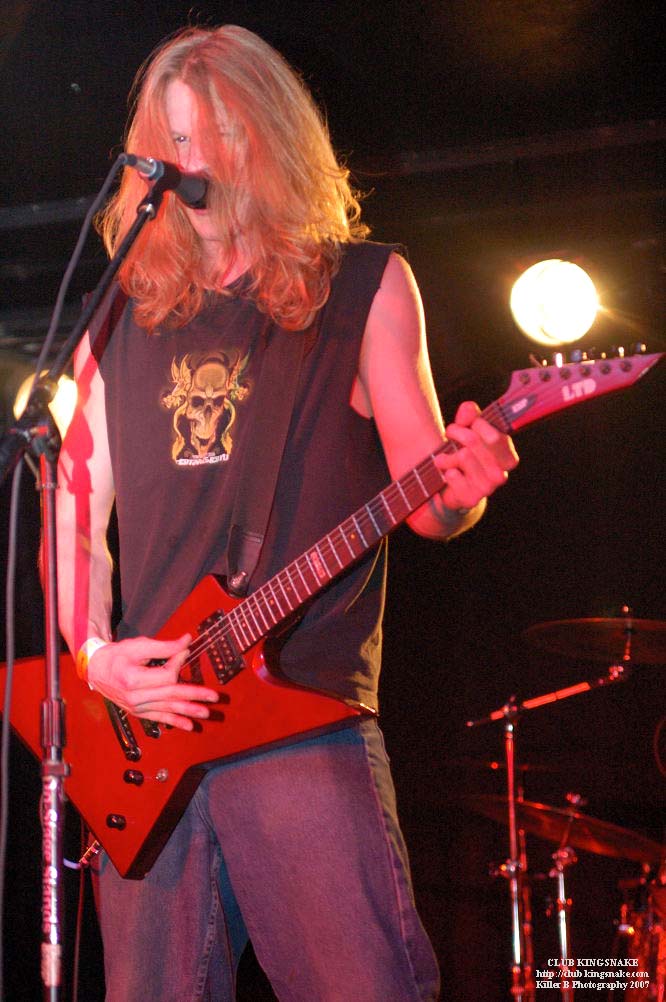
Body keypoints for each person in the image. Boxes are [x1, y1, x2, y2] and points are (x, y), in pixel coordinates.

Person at [56, 24, 518, 1002]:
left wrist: (464, 488)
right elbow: (72, 505)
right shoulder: (116, 316)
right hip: (148, 733)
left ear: (269, 135)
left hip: (302, 717)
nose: (195, 161)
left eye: (218, 134)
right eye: (176, 140)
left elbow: (429, 499)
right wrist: (94, 656)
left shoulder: (364, 287)